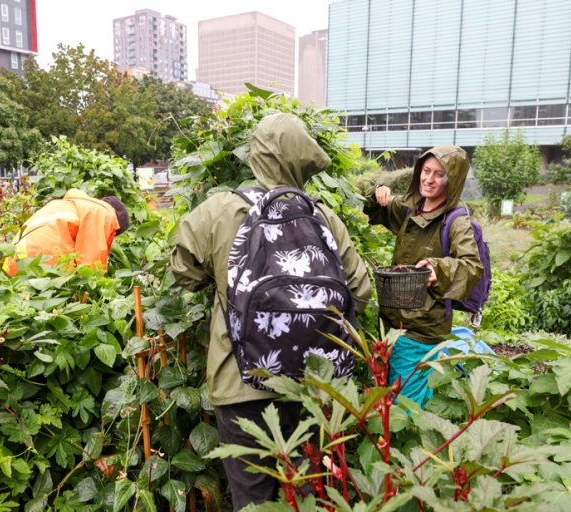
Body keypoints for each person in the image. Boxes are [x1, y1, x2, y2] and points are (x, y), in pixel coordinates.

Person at [170, 113, 371, 510]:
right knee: (310, 494)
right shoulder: (324, 217)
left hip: (241, 383)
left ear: (256, 154)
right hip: (314, 386)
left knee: (253, 499)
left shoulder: (218, 211)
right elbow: (360, 292)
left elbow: (183, 271)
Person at [364, 145, 483, 406]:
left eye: (439, 174)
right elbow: (373, 210)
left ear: (452, 180)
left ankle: (409, 445)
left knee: (406, 407)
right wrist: (377, 195)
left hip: (422, 329)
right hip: (393, 324)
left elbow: (472, 267)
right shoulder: (411, 209)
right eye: (426, 171)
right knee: (391, 399)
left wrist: (438, 269)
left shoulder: (456, 222)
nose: (429, 179)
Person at [4, 188, 129, 276]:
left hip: (15, 257)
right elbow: (90, 263)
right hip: (42, 258)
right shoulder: (101, 214)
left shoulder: (73, 205)